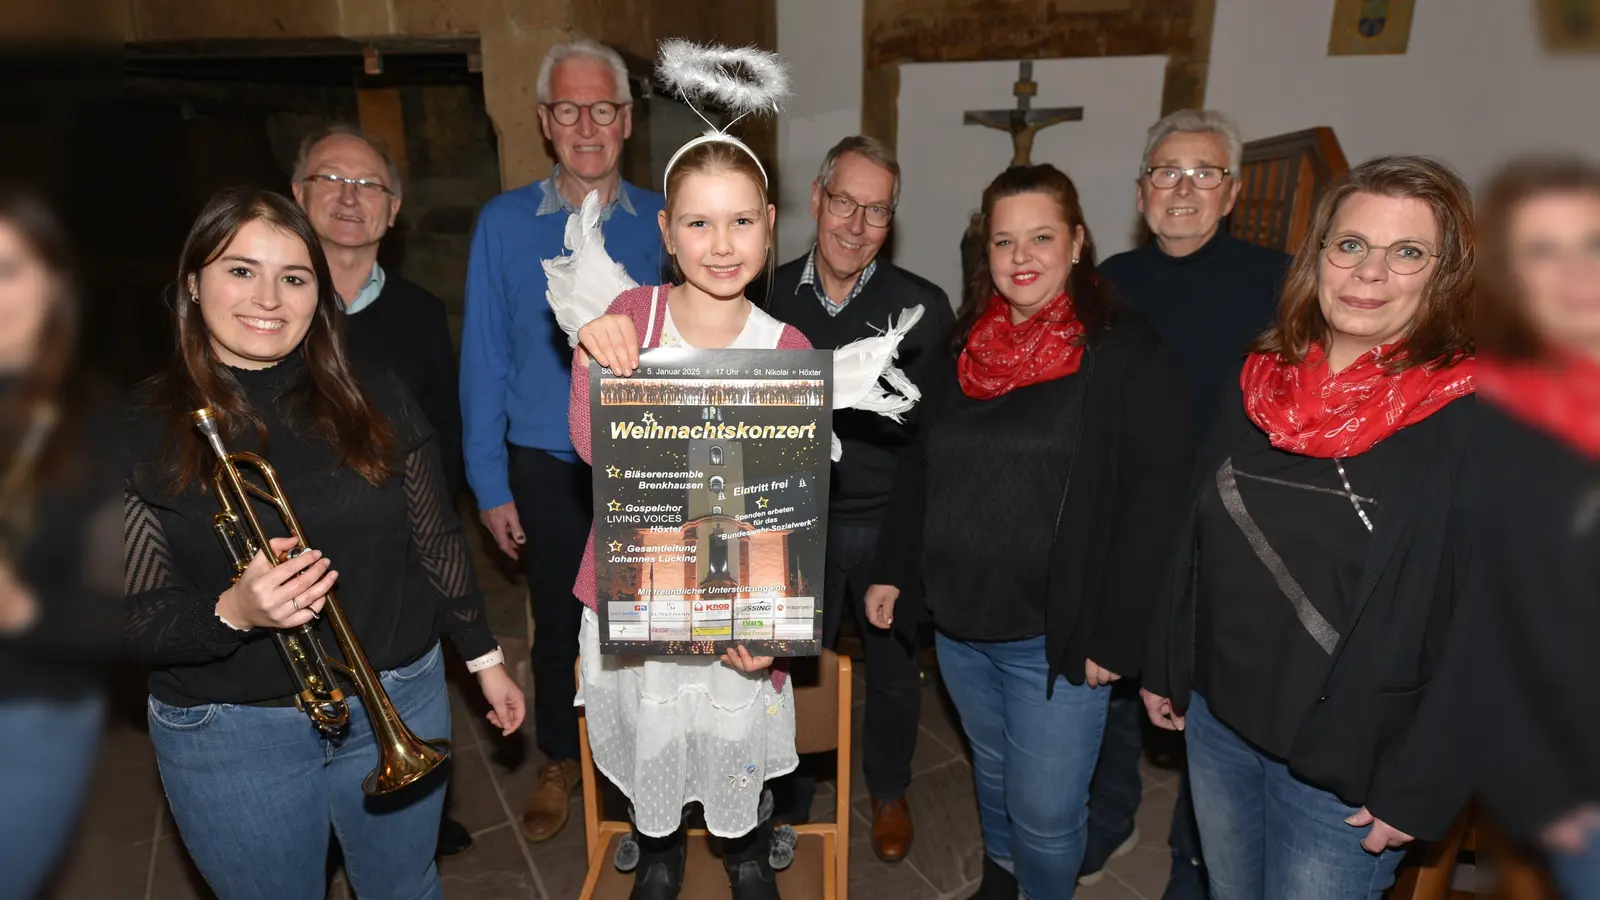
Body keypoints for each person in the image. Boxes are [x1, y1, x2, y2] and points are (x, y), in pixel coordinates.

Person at [123, 188, 525, 899]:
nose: (269, 298)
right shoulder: (134, 426)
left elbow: (436, 544)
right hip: (232, 730)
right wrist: (234, 613)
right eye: (241, 271)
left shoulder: (376, 395)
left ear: (319, 294)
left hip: (398, 693)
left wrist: (484, 659)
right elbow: (123, 619)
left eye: (295, 277)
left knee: (406, 886)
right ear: (193, 283)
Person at [1141, 155, 1479, 900]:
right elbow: (1193, 531)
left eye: (1407, 253)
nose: (1370, 272)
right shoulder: (1261, 377)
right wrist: (1168, 662)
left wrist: (1420, 784)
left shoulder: (1471, 422)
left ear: (1443, 274)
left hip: (1348, 771)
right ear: (1318, 257)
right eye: (1351, 245)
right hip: (1221, 726)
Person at [865, 164, 1193, 900]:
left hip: (1058, 636)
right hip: (960, 623)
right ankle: (1000, 882)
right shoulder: (961, 347)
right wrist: (893, 568)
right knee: (992, 769)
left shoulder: (1123, 352)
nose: (1022, 257)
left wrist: (1118, 635)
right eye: (1005, 240)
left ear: (1077, 242)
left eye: (1041, 237)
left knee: (1046, 812)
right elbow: (919, 467)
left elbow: (1154, 502)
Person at [569, 134, 811, 899]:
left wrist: (768, 633)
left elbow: (787, 511)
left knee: (732, 730)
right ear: (668, 231)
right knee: (654, 734)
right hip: (643, 591)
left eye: (741, 222)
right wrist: (590, 354)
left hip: (734, 600)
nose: (721, 244)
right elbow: (588, 449)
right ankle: (660, 847)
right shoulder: (629, 319)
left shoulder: (787, 347)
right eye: (700, 224)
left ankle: (743, 847)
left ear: (770, 227)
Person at [459, 37, 667, 844]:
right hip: (545, 466)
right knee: (555, 619)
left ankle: (634, 773)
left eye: (604, 108)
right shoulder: (504, 223)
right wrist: (490, 485)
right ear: (546, 122)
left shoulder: (665, 220)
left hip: (647, 463)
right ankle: (556, 759)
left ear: (625, 121)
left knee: (644, 626)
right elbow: (484, 358)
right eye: (570, 109)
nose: (588, 125)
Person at [1083, 108, 1289, 895]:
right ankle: (1109, 816)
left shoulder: (1280, 279)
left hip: (1229, 530)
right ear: (1141, 193)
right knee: (1110, 685)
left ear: (1231, 191)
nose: (1183, 188)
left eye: (1204, 172)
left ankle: (1191, 864)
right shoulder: (1110, 285)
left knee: (1208, 710)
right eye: (1165, 171)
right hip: (1128, 521)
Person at [760, 135, 954, 862]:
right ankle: (792, 791)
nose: (855, 224)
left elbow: (931, 446)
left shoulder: (922, 309)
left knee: (895, 666)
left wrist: (903, 556)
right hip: (790, 523)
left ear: (891, 221)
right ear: (816, 199)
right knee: (787, 667)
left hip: (885, 523)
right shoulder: (763, 296)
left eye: (876, 211)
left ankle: (889, 787)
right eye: (844, 201)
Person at [291, 121, 473, 855]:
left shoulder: (421, 314)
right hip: (294, 551)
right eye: (331, 179)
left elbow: (443, 434)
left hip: (394, 553)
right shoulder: (264, 312)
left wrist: (441, 549)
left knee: (398, 688)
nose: (349, 196)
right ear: (297, 195)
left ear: (392, 211)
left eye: (369, 185)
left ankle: (396, 818)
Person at [1428, 157, 1600, 899]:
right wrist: (1537, 784)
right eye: (1542, 251)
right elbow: (1481, 625)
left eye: (1592, 243)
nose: (1575, 273)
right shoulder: (1493, 423)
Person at [0, 188, 121, 900]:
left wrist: (24, 614)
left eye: (9, 269)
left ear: (56, 285)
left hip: (25, 716)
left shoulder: (94, 420)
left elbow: (131, 615)